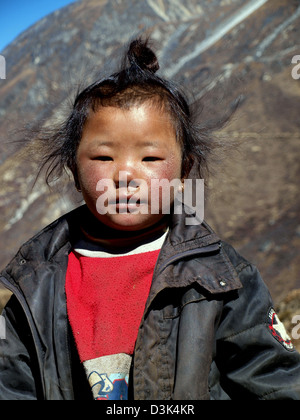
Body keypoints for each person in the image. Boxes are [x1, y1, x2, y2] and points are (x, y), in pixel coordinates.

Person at [0, 37, 299, 401]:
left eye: (151, 159)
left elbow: (276, 381)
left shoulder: (224, 278)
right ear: (74, 172)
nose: (126, 175)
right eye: (104, 158)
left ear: (184, 170)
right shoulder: (34, 284)